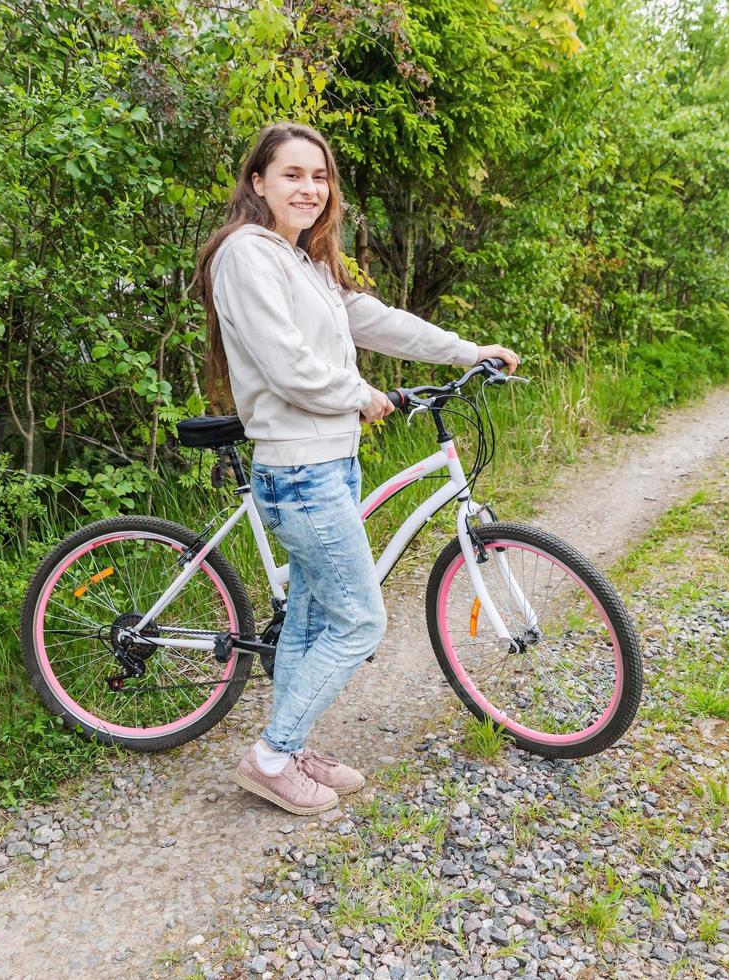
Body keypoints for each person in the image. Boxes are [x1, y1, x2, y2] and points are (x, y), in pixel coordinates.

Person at [195, 122, 519, 815]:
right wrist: (360, 394)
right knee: (360, 623)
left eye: (319, 177)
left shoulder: (305, 261)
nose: (309, 188)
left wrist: (466, 351)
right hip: (301, 470)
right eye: (292, 175)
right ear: (257, 183)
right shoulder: (246, 256)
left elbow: (376, 320)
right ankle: (271, 757)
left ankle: (292, 741)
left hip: (331, 463)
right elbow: (288, 365)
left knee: (313, 623)